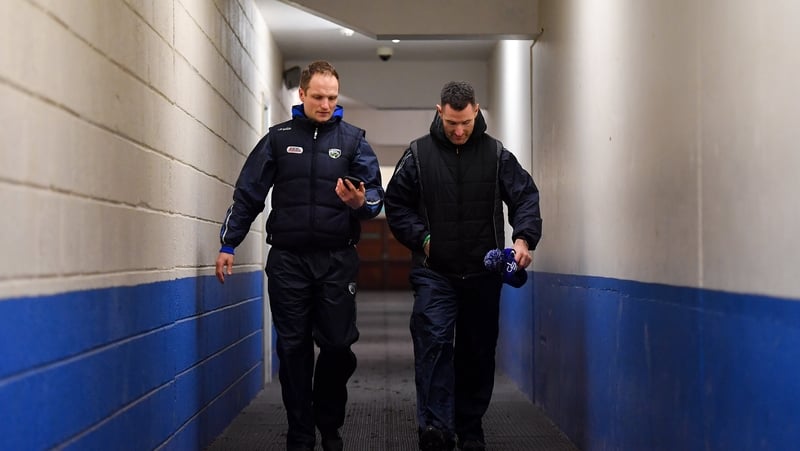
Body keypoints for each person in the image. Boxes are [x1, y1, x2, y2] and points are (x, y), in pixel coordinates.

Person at [215, 60, 384, 451]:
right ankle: (301, 433)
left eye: (333, 98)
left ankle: (329, 421)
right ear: (302, 94)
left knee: (338, 346)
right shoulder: (278, 139)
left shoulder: (354, 140)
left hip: (337, 260)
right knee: (292, 348)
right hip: (288, 260)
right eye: (319, 97)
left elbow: (375, 197)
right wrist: (229, 244)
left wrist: (361, 202)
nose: (326, 104)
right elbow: (248, 195)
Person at [384, 81, 542, 451]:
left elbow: (524, 196)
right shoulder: (418, 155)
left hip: (482, 276)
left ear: (477, 112)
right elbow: (396, 205)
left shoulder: (496, 154)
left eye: (466, 124)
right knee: (434, 345)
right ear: (440, 112)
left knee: (477, 352)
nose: (459, 131)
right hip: (434, 272)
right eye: (453, 123)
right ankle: (436, 428)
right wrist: (423, 240)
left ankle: (470, 426)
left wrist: (523, 239)